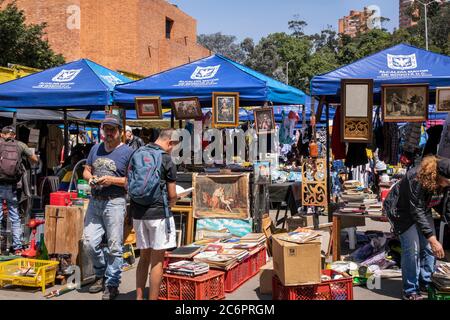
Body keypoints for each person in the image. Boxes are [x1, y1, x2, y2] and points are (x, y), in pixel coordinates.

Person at [82, 114, 133, 300]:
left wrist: (111, 179)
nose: (109, 133)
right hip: (95, 201)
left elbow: (132, 181)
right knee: (89, 242)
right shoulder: (95, 148)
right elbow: (87, 170)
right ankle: (100, 272)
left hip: (115, 201)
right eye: (106, 129)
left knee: (114, 246)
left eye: (113, 129)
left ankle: (112, 284)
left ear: (120, 132)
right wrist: (91, 179)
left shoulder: (128, 152)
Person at [130, 129, 179, 300]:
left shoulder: (137, 153)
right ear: (170, 142)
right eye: (173, 146)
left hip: (138, 214)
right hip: (158, 214)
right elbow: (172, 195)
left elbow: (128, 183)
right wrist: (174, 201)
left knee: (143, 258)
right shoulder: (166, 159)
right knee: (157, 260)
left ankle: (138, 297)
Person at [394, 156, 450, 300]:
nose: (447, 185)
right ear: (437, 175)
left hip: (423, 209)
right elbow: (416, 210)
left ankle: (425, 281)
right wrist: (433, 240)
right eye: (446, 182)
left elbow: (445, 206)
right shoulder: (416, 178)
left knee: (429, 249)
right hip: (403, 212)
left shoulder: (444, 181)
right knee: (412, 249)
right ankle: (410, 290)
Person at [0, 126, 38, 254]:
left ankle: (1, 246)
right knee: (15, 216)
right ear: (14, 135)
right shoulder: (20, 145)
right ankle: (17, 247)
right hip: (13, 186)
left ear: (2, 135)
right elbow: (35, 159)